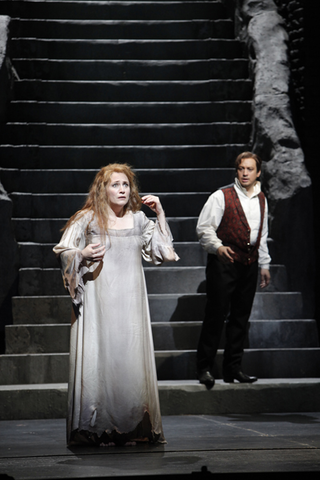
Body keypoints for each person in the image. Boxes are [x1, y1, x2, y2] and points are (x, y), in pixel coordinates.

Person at [53, 163, 179, 446]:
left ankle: (133, 427)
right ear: (102, 189)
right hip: (98, 305)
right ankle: (93, 428)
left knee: (128, 362)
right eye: (115, 184)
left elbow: (164, 252)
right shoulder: (87, 219)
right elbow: (63, 250)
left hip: (130, 305)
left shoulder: (138, 220)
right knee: (98, 361)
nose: (122, 190)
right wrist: (82, 253)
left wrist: (159, 213)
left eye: (126, 185)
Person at [196, 152, 271, 389]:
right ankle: (205, 367)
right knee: (216, 315)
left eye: (250, 169)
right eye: (241, 169)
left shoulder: (261, 199)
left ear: (258, 172)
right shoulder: (221, 196)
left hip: (248, 264)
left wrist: (265, 264)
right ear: (237, 171)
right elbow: (204, 228)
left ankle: (233, 368)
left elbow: (263, 234)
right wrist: (217, 247)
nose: (245, 173)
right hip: (224, 263)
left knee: (240, 317)